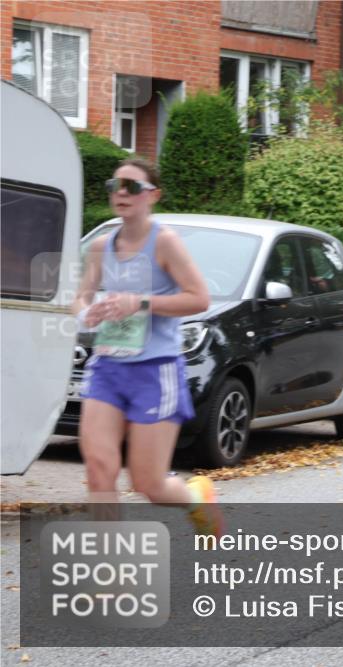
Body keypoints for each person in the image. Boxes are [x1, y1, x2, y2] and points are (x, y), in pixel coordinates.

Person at [72, 157, 222, 536]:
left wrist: (140, 303)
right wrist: (88, 314)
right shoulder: (102, 246)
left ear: (152, 195)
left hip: (155, 371)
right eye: (115, 185)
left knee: (149, 485)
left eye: (132, 187)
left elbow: (199, 298)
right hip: (107, 367)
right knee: (99, 469)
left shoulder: (164, 242)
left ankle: (195, 498)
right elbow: (80, 298)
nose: (121, 193)